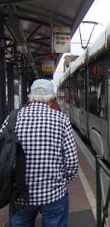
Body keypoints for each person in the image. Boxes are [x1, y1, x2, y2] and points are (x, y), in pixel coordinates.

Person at [1, 79, 78, 227]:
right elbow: (72, 163)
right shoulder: (61, 119)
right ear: (51, 99)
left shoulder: (12, 118)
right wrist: (61, 181)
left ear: (30, 97)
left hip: (20, 196)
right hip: (54, 195)